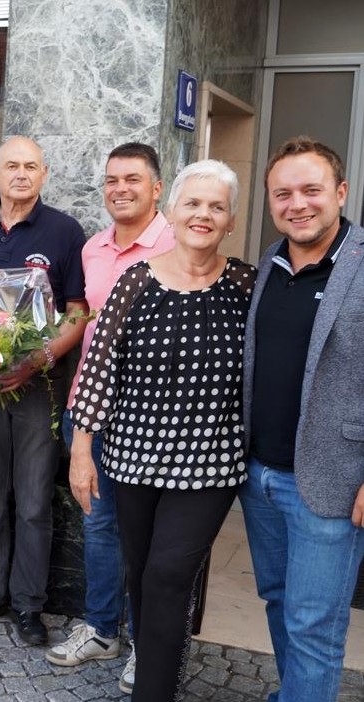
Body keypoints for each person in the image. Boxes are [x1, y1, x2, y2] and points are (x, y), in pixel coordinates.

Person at [71, 159, 255, 701]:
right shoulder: (135, 283)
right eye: (193, 203)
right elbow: (99, 367)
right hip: (131, 458)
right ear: (171, 211)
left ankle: (152, 690)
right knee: (140, 573)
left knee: (168, 576)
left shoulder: (247, 285)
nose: (203, 214)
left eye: (216, 206)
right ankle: (157, 660)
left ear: (231, 220)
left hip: (210, 465)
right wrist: (83, 449)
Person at [46, 143, 174, 692]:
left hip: (154, 416)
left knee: (150, 535)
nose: (120, 189)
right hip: (90, 408)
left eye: (133, 179)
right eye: (111, 180)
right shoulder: (94, 247)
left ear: (157, 187)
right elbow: (80, 321)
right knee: (97, 523)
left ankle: (151, 644)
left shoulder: (177, 242)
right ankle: (102, 629)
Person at [0, 136, 87, 645]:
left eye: (31, 166)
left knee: (32, 500)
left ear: (44, 174)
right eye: (12, 166)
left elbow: (77, 311)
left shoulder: (64, 231)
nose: (21, 174)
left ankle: (29, 604)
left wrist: (40, 358)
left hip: (40, 385)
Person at [240, 137, 364, 702]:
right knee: (279, 601)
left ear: (340, 192)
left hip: (332, 481)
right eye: (283, 194)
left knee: (314, 627)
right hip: (259, 476)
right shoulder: (269, 261)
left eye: (312, 190)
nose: (299, 204)